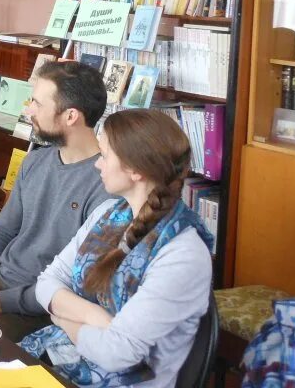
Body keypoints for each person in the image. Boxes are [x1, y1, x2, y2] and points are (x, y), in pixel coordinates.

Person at [20, 109, 214, 387]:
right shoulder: (106, 213)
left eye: (104, 155)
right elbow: (46, 283)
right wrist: (95, 316)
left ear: (135, 170)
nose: (97, 164)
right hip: (61, 358)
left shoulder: (183, 254)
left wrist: (62, 316)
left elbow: (117, 353)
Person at [0, 61, 110, 317]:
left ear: (70, 116)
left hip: (35, 309)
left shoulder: (107, 185)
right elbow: (3, 229)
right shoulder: (35, 160)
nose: (29, 110)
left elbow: (77, 282)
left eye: (37, 103)